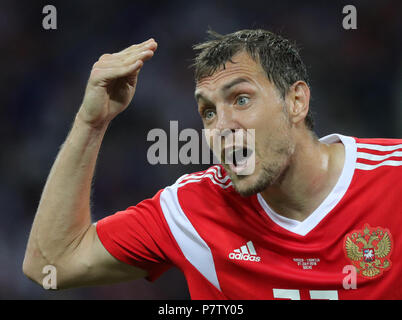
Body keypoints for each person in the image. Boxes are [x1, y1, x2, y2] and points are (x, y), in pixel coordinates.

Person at [23, 29, 402, 300]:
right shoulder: (192, 210)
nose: (220, 127)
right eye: (207, 112)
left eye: (240, 99)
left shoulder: (393, 180)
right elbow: (51, 264)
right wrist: (92, 123)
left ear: (296, 102)